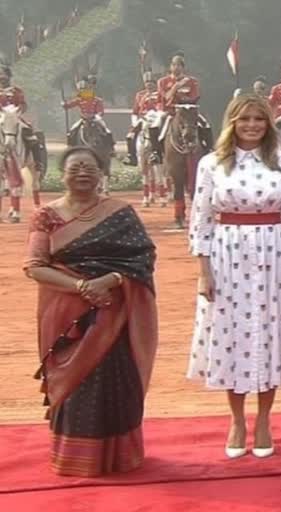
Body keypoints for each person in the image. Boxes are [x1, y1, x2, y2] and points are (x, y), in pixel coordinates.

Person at [187, 93, 281, 459]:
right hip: (228, 256)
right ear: (232, 123)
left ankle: (264, 421)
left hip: (277, 253)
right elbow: (201, 221)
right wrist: (204, 273)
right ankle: (237, 421)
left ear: (268, 124)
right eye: (244, 120)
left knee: (270, 333)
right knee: (233, 336)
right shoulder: (212, 164)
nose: (252, 126)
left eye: (259, 120)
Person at [23, 146, 158, 476]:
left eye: (90, 167)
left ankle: (120, 457)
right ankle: (76, 458)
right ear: (63, 174)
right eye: (75, 167)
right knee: (74, 384)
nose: (82, 172)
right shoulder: (46, 215)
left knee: (116, 378)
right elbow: (35, 266)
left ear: (101, 173)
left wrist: (109, 281)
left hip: (115, 311)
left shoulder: (121, 213)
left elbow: (143, 259)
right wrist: (83, 287)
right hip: (65, 314)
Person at [157, 53, 213, 159]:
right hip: (171, 110)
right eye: (173, 65)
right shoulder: (162, 82)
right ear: (170, 66)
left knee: (205, 124)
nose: (176, 67)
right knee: (156, 123)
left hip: (189, 111)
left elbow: (194, 97)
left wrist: (182, 99)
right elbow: (166, 97)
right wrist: (176, 86)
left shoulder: (192, 81)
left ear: (183, 67)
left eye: (179, 65)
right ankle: (156, 152)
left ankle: (208, 149)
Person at [0, 64, 45, 177]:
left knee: (32, 136)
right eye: (1, 76)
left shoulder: (16, 90)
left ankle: (37, 162)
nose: (2, 78)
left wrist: (17, 111)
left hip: (14, 118)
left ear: (9, 77)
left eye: (4, 75)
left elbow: (23, 105)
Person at [62, 76, 115, 154]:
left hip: (95, 118)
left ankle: (111, 149)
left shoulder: (97, 100)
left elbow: (101, 112)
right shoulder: (79, 100)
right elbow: (69, 105)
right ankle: (70, 148)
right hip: (84, 119)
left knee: (107, 131)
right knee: (72, 131)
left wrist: (96, 116)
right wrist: (64, 104)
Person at [123, 71, 163, 167]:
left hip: (156, 118)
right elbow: (135, 111)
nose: (149, 85)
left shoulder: (160, 94)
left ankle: (158, 152)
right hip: (143, 119)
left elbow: (161, 107)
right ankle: (132, 157)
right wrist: (134, 123)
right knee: (130, 136)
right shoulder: (140, 95)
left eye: (152, 82)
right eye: (147, 82)